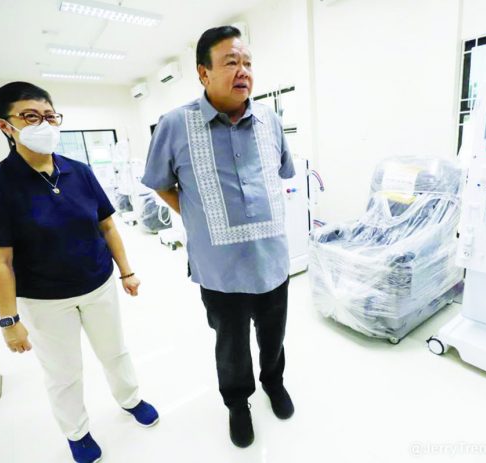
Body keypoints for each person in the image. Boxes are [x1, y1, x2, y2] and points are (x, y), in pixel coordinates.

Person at [0, 81, 158, 463]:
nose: (44, 123)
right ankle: (77, 431)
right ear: (4, 125)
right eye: (30, 116)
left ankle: (130, 398)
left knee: (115, 352)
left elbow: (107, 225)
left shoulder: (79, 171)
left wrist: (126, 272)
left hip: (98, 283)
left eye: (49, 115)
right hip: (44, 300)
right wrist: (9, 320)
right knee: (64, 372)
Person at [142, 25, 295, 448]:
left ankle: (274, 383)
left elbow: (281, 175)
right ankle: (237, 403)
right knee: (230, 345)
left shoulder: (271, 120)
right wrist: (197, 215)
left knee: (274, 336)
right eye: (231, 62)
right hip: (220, 269)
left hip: (272, 260)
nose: (242, 71)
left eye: (247, 63)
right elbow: (160, 183)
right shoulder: (174, 126)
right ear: (203, 73)